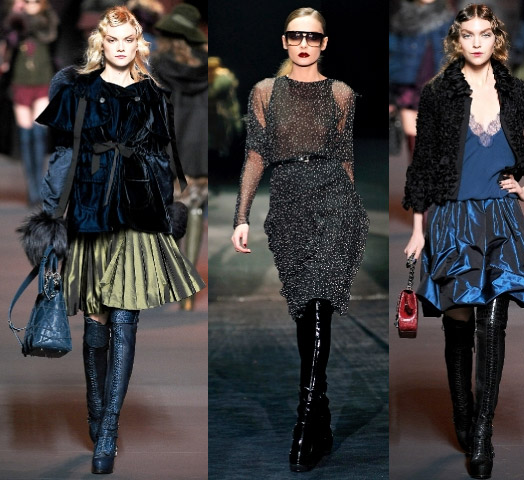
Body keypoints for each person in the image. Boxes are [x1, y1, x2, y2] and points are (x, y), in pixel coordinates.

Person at [19, 6, 205, 475]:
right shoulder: (77, 89)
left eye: (128, 40)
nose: (120, 47)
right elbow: (63, 155)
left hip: (137, 218)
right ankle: (96, 407)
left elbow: (163, 158)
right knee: (96, 323)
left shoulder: (153, 93)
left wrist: (164, 207)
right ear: (101, 42)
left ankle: (108, 429)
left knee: (125, 319)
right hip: (90, 216)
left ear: (138, 43)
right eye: (113, 39)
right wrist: (52, 217)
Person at [402, 4, 524, 479]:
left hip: (500, 220)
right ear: (456, 41)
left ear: (497, 39)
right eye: (468, 35)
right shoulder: (439, 93)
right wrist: (417, 229)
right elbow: (423, 164)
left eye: (484, 34)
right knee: (457, 324)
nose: (476, 43)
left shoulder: (515, 91)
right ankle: (462, 410)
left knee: (492, 327)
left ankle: (481, 433)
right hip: (453, 220)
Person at [230, 7, 369, 472]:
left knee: (319, 302)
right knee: (304, 307)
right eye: (296, 36)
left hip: (334, 199)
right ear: (285, 41)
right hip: (288, 204)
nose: (304, 43)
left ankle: (305, 422)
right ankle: (320, 417)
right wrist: (242, 216)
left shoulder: (342, 94)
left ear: (324, 43)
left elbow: (346, 157)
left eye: (313, 36)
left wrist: (354, 215)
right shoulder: (265, 92)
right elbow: (255, 154)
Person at [151, 3, 208, 311]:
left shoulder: (156, 66)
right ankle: (189, 294)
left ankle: (170, 282)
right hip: (198, 151)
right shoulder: (207, 67)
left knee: (169, 214)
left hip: (168, 152)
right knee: (195, 211)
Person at [1, 0, 59, 205]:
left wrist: (30, 18)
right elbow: (8, 39)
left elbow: (49, 34)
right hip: (20, 82)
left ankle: (41, 185)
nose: (30, 3)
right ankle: (32, 189)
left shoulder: (47, 18)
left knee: (38, 134)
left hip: (42, 82)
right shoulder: (15, 19)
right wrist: (15, 15)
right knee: (25, 137)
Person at [389, 0, 454, 159]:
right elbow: (392, 55)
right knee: (415, 141)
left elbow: (456, 53)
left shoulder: (448, 18)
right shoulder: (402, 18)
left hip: (439, 86)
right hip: (408, 85)